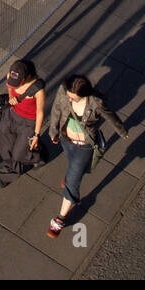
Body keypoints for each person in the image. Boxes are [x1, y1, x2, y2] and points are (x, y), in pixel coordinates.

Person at [45, 74, 128, 237]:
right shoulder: (64, 91)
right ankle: (70, 177)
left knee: (73, 180)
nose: (68, 97)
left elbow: (110, 115)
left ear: (83, 95)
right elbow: (56, 109)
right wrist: (53, 131)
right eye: (68, 93)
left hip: (85, 146)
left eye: (72, 97)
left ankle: (60, 219)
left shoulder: (95, 103)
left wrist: (121, 131)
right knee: (73, 167)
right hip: (66, 141)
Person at [0, 60, 47, 187]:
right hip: (12, 115)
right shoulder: (11, 77)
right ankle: (33, 156)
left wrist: (36, 134)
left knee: (18, 154)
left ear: (28, 77)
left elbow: (40, 112)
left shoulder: (38, 91)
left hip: (28, 123)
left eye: (18, 83)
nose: (15, 86)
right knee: (4, 143)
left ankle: (8, 174)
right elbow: (9, 87)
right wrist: (11, 97)